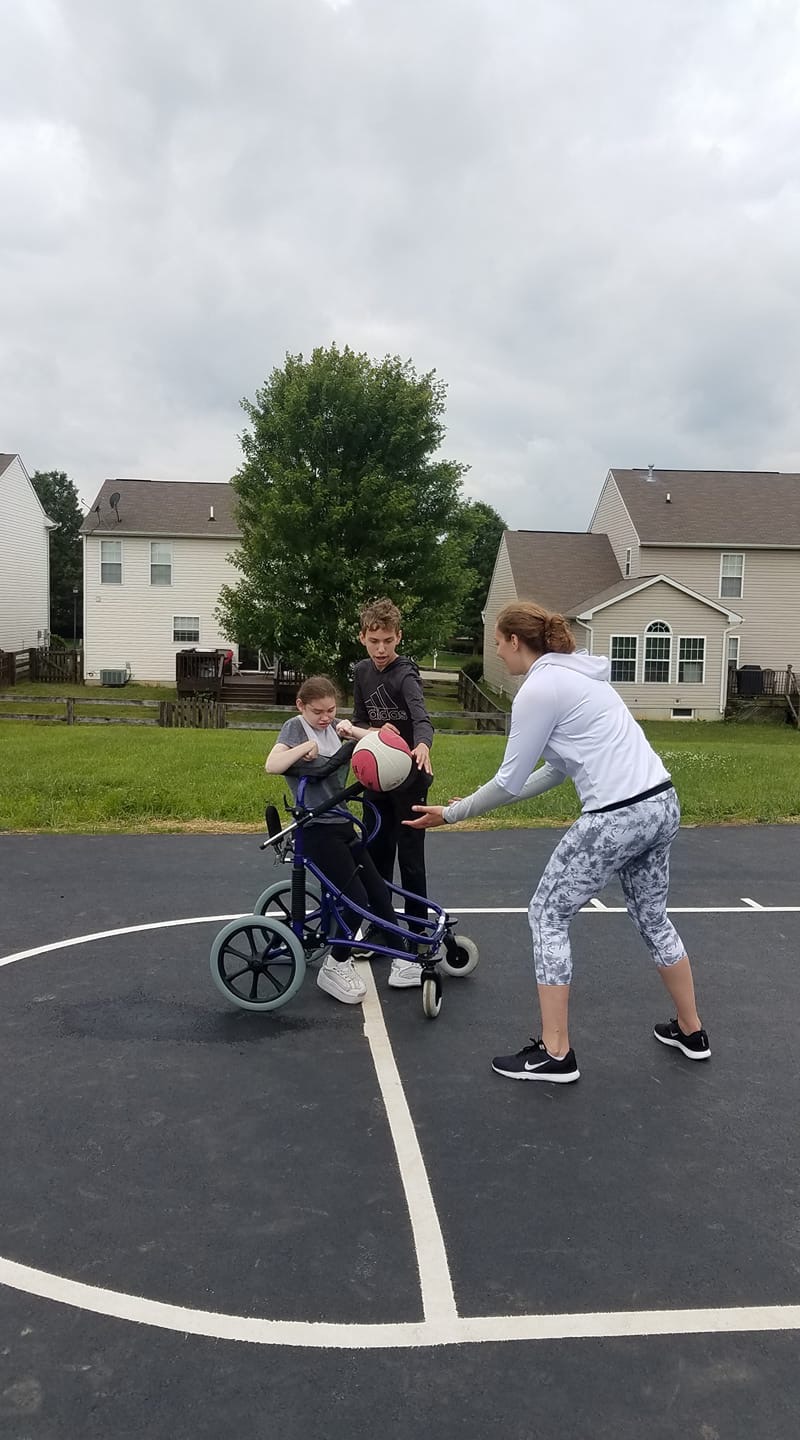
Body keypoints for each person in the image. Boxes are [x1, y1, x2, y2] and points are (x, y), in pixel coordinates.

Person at [405, 601, 710, 1083]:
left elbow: (507, 782)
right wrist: (464, 808)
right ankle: (692, 1032)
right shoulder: (578, 674)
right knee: (652, 916)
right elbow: (554, 771)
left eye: (498, 643)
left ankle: (555, 1053)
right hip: (661, 805)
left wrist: (453, 814)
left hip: (618, 815)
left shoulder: (538, 689)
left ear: (513, 641)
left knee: (547, 914)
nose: (498, 653)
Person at [265, 675, 407, 1006]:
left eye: (331, 710)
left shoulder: (334, 728)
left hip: (342, 822)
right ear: (301, 706)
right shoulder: (295, 728)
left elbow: (377, 741)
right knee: (355, 897)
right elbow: (272, 765)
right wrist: (304, 748)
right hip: (315, 829)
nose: (325, 717)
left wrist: (356, 731)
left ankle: (404, 959)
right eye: (318, 711)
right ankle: (335, 964)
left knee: (377, 889)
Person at [336, 597, 433, 988]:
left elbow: (422, 718)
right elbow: (361, 719)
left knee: (410, 860)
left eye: (388, 641)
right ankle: (380, 929)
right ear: (362, 638)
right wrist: (356, 733)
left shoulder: (405, 674)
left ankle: (418, 932)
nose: (381, 649)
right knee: (375, 858)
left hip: (409, 780)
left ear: (399, 638)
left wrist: (423, 744)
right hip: (376, 779)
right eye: (374, 640)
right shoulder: (361, 672)